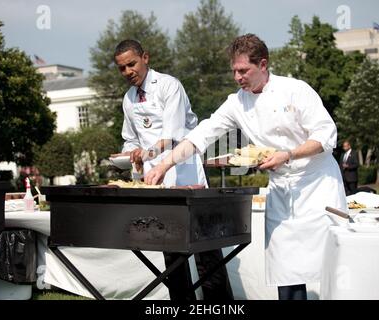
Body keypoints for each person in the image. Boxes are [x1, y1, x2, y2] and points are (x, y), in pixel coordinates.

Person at [145, 34, 348, 300]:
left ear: (263, 65)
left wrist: (287, 154)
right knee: (286, 269)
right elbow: (201, 135)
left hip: (317, 185)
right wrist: (164, 164)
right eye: (234, 71)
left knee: (333, 264)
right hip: (281, 189)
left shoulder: (295, 89)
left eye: (244, 70)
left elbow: (325, 135)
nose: (238, 77)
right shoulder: (236, 102)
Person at [112, 39, 233, 301]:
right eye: (122, 68)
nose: (128, 72)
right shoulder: (129, 99)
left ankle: (220, 303)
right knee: (170, 248)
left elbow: (172, 137)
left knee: (205, 247)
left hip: (186, 171)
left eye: (131, 64)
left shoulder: (169, 86)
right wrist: (131, 153)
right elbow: (131, 138)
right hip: (156, 180)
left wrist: (147, 154)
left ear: (146, 57)